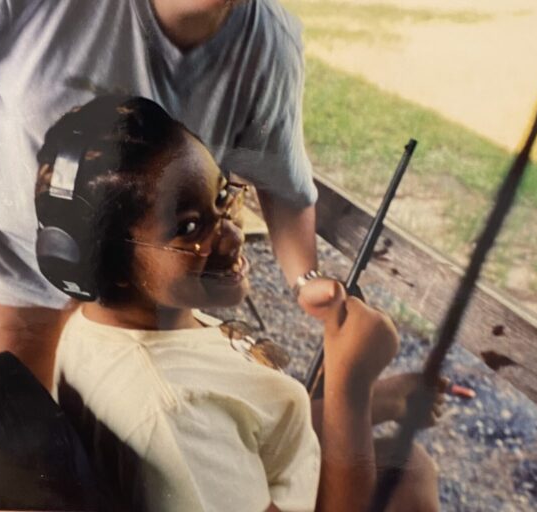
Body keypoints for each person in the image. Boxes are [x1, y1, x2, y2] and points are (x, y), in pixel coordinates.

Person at [0, 0, 320, 390]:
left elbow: (283, 181)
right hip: (17, 262)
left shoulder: (268, 43)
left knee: (136, 444)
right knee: (19, 435)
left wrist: (305, 281)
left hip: (148, 288)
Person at [38, 96, 441, 512]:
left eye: (222, 197)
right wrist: (351, 386)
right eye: (189, 226)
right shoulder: (171, 414)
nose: (231, 236)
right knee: (410, 480)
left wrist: (380, 400)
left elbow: (249, 428)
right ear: (105, 258)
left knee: (407, 464)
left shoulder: (108, 323)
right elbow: (201, 422)